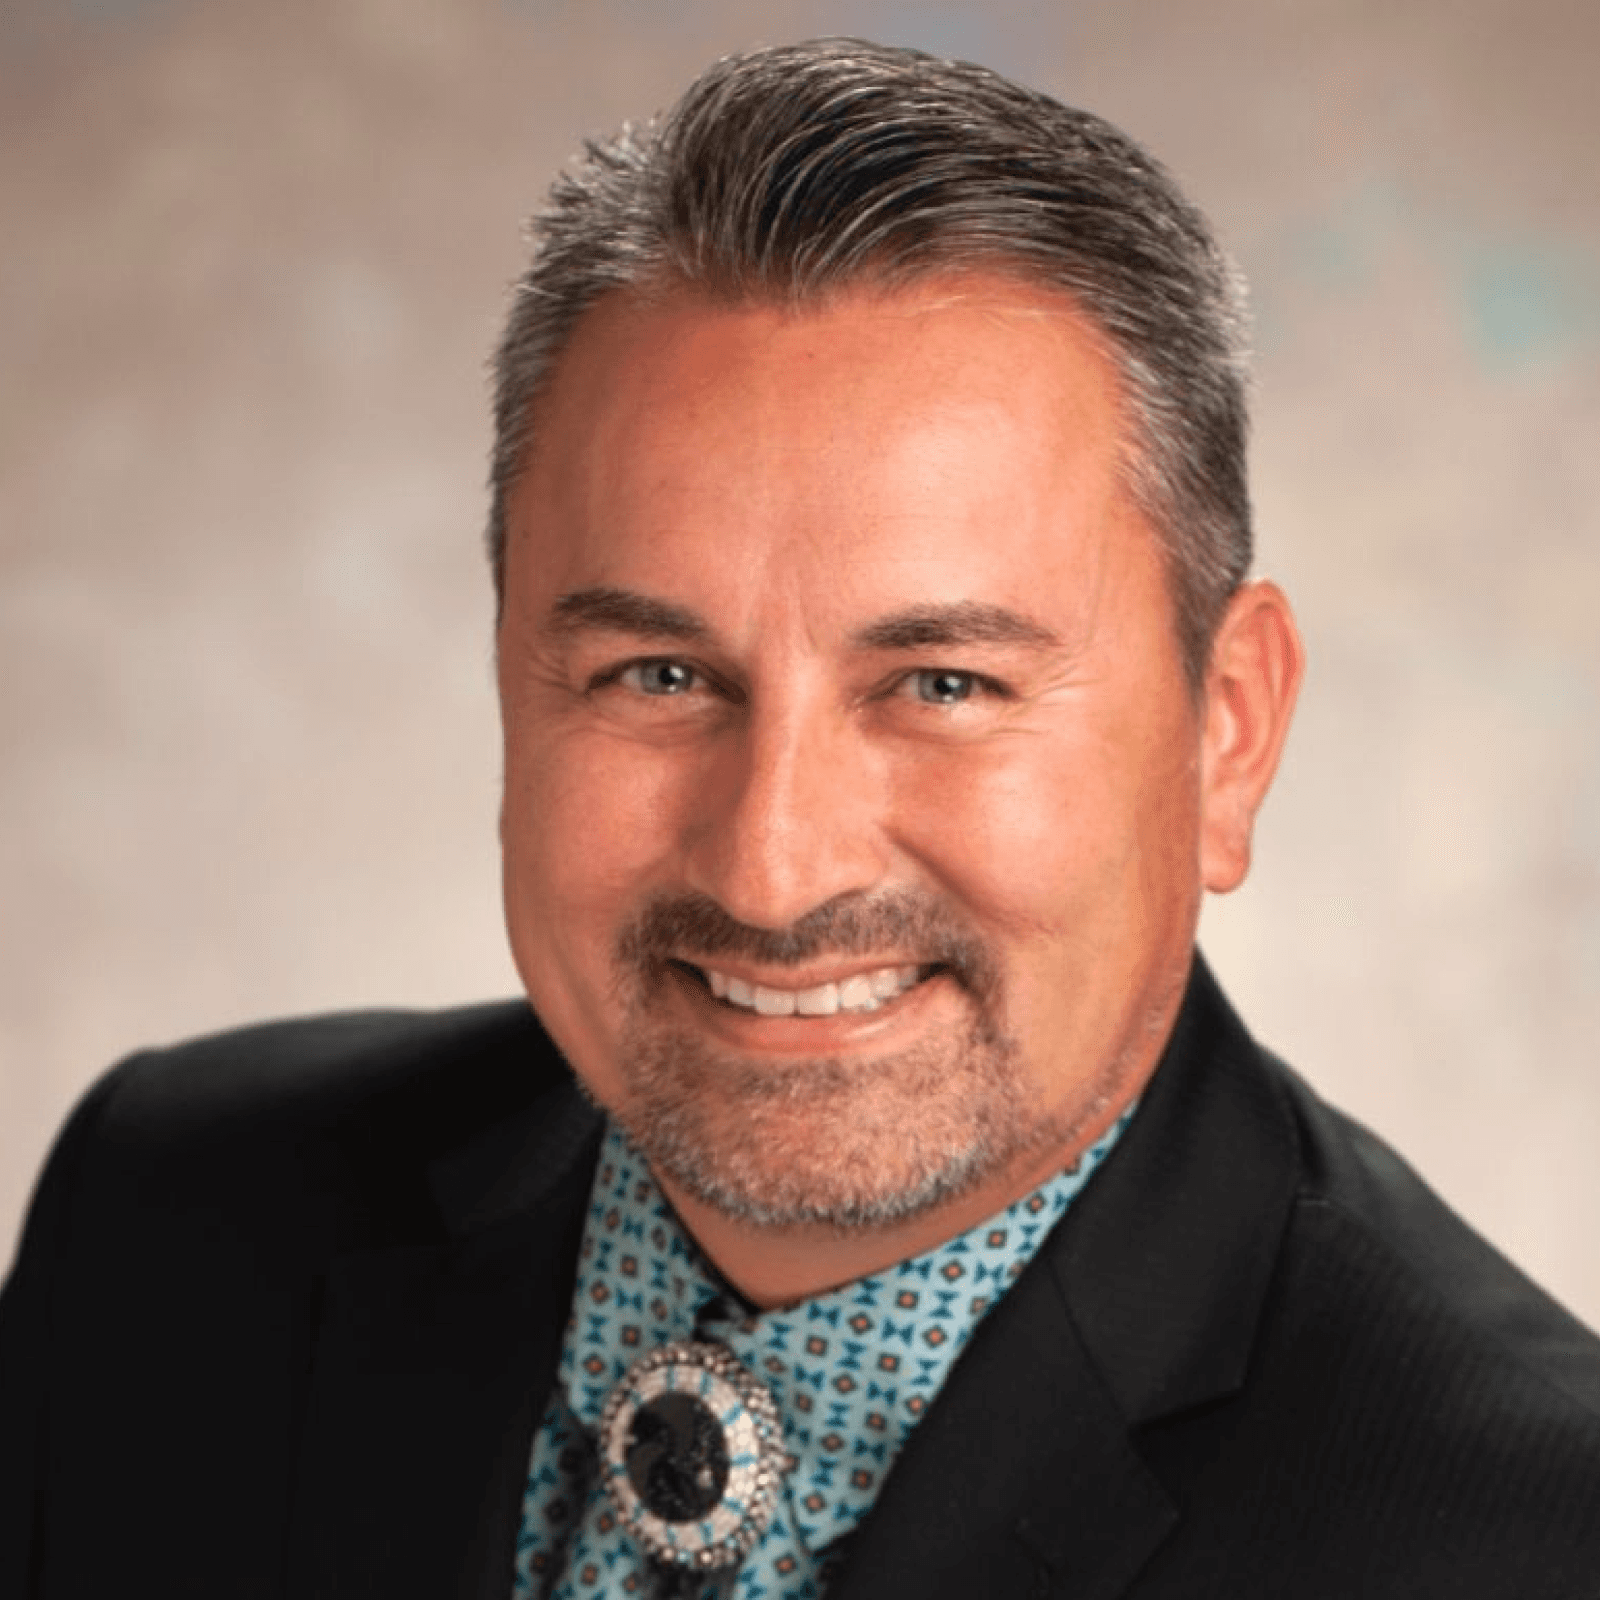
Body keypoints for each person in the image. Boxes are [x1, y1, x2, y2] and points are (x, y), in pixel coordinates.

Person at [3, 36, 1598, 1600]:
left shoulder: (1535, 1541)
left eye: (944, 684)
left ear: (1226, 732)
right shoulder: (163, 1229)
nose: (772, 867)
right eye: (658, 675)